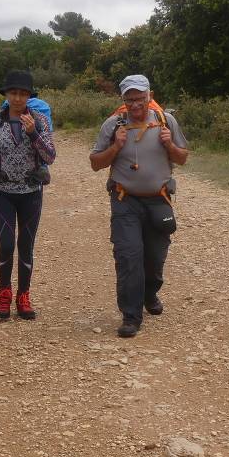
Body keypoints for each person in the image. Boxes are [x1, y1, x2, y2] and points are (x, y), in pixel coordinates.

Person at [89, 74, 188, 338]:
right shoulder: (113, 126)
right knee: (128, 256)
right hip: (125, 200)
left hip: (159, 200)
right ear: (123, 100)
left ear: (150, 96)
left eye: (140, 99)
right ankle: (131, 316)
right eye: (129, 99)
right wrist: (116, 146)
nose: (135, 105)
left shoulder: (166, 122)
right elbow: (96, 163)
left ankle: (150, 293)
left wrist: (169, 144)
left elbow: (183, 158)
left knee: (155, 258)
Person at [0, 70, 56, 320]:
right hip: (4, 192)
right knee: (7, 244)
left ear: (29, 96)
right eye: (13, 93)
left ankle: (24, 296)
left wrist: (33, 134)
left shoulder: (40, 121)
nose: (18, 98)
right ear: (6, 95)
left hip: (31, 192)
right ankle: (4, 294)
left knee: (26, 246)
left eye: (23, 93)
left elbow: (50, 156)